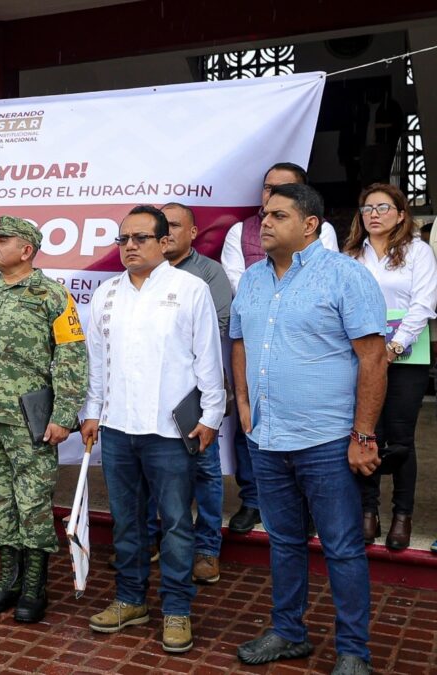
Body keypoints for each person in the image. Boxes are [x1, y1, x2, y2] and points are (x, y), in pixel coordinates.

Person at [231, 183, 385, 675]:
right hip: (267, 438)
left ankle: (353, 651)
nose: (265, 223)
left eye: (277, 215)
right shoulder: (253, 279)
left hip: (327, 440)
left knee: (341, 546)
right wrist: (243, 404)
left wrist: (362, 435)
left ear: (310, 224)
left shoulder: (345, 276)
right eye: (263, 215)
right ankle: (288, 632)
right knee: (283, 540)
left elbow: (373, 358)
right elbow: (239, 343)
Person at [82, 205, 225, 654]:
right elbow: (97, 363)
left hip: (170, 432)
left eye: (140, 238)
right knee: (127, 521)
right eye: (123, 239)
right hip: (119, 427)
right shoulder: (105, 294)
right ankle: (129, 599)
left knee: (178, 523)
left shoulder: (190, 289)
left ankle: (177, 609)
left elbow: (208, 360)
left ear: (164, 243)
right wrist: (92, 411)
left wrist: (211, 417)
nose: (129, 246)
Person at [0, 215, 88, 623]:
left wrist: (64, 415)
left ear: (26, 250)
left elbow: (71, 358)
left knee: (32, 504)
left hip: (31, 422)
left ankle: (34, 586)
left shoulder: (52, 295)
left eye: (1, 240)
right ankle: (8, 580)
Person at [219, 162, 339, 536]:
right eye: (267, 188)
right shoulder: (240, 232)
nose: (271, 196)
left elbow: (321, 275)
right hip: (255, 339)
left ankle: (306, 506)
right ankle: (252, 500)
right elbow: (238, 285)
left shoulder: (326, 233)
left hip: (303, 342)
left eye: (283, 189)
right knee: (250, 423)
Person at [342, 183, 437, 550]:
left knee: (400, 438)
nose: (374, 214)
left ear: (400, 214)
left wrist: (394, 347)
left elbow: (424, 303)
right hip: (359, 357)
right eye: (367, 208)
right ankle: (369, 511)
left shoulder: (417, 251)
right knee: (367, 432)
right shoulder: (350, 255)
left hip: (405, 357)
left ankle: (402, 513)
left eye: (383, 207)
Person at [153, 202, 233, 585]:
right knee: (157, 475)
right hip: (153, 396)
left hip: (195, 397)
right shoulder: (143, 274)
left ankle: (206, 550)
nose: (165, 232)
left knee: (205, 473)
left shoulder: (208, 273)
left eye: (173, 225)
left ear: (193, 233)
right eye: (161, 226)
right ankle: (163, 541)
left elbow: (219, 327)